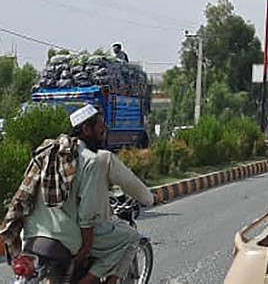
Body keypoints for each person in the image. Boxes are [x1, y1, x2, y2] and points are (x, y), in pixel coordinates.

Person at [2, 104, 154, 283]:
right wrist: (86, 247)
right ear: (86, 129)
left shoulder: (48, 151)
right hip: (67, 236)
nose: (104, 130)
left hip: (31, 234)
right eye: (100, 126)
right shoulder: (92, 160)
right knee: (131, 238)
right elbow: (87, 214)